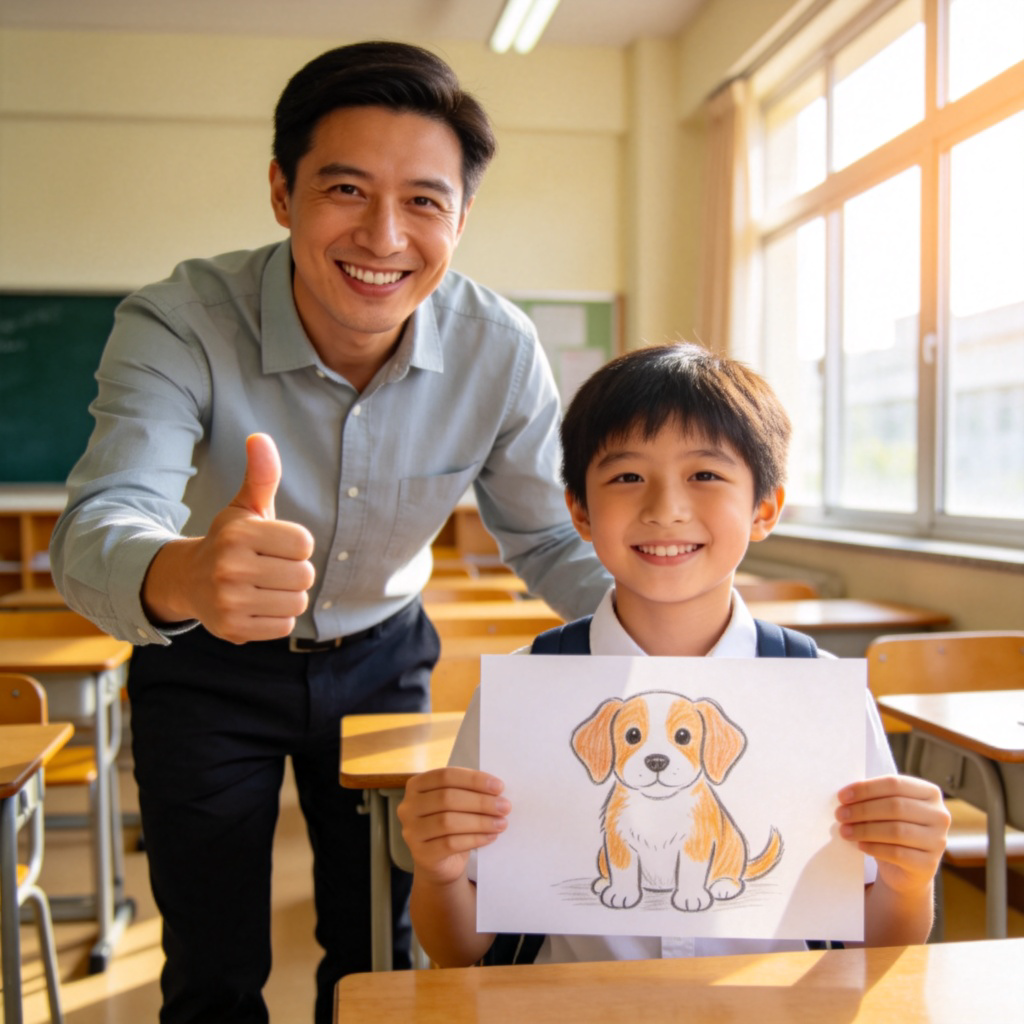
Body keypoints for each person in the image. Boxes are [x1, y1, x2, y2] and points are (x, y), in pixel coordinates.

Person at [49, 41, 610, 1023]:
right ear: (282, 189)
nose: (384, 235)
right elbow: (99, 524)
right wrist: (187, 573)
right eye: (346, 189)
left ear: (461, 217)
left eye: (425, 201)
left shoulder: (499, 348)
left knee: (375, 946)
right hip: (203, 663)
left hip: (382, 661)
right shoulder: (180, 321)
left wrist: (683, 626)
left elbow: (548, 542)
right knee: (212, 959)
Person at [398, 341, 951, 967]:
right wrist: (438, 871)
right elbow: (459, 952)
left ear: (764, 507)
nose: (666, 509)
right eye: (627, 476)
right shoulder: (522, 693)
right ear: (578, 509)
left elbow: (881, 948)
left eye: (706, 475)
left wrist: (910, 879)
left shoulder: (822, 693)